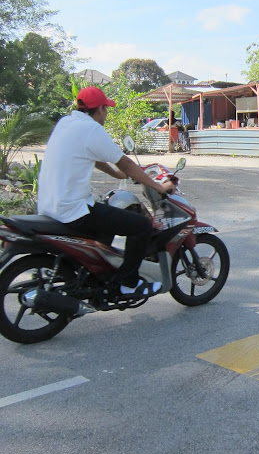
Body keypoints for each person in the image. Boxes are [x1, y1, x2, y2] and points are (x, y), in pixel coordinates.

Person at [37, 87, 175, 299]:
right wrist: (159, 187)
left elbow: (94, 156)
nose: (107, 114)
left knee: (107, 217)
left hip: (49, 206)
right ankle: (128, 283)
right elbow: (127, 163)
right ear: (100, 109)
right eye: (106, 109)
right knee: (141, 225)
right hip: (73, 210)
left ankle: (95, 274)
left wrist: (115, 174)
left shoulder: (66, 123)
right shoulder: (92, 130)